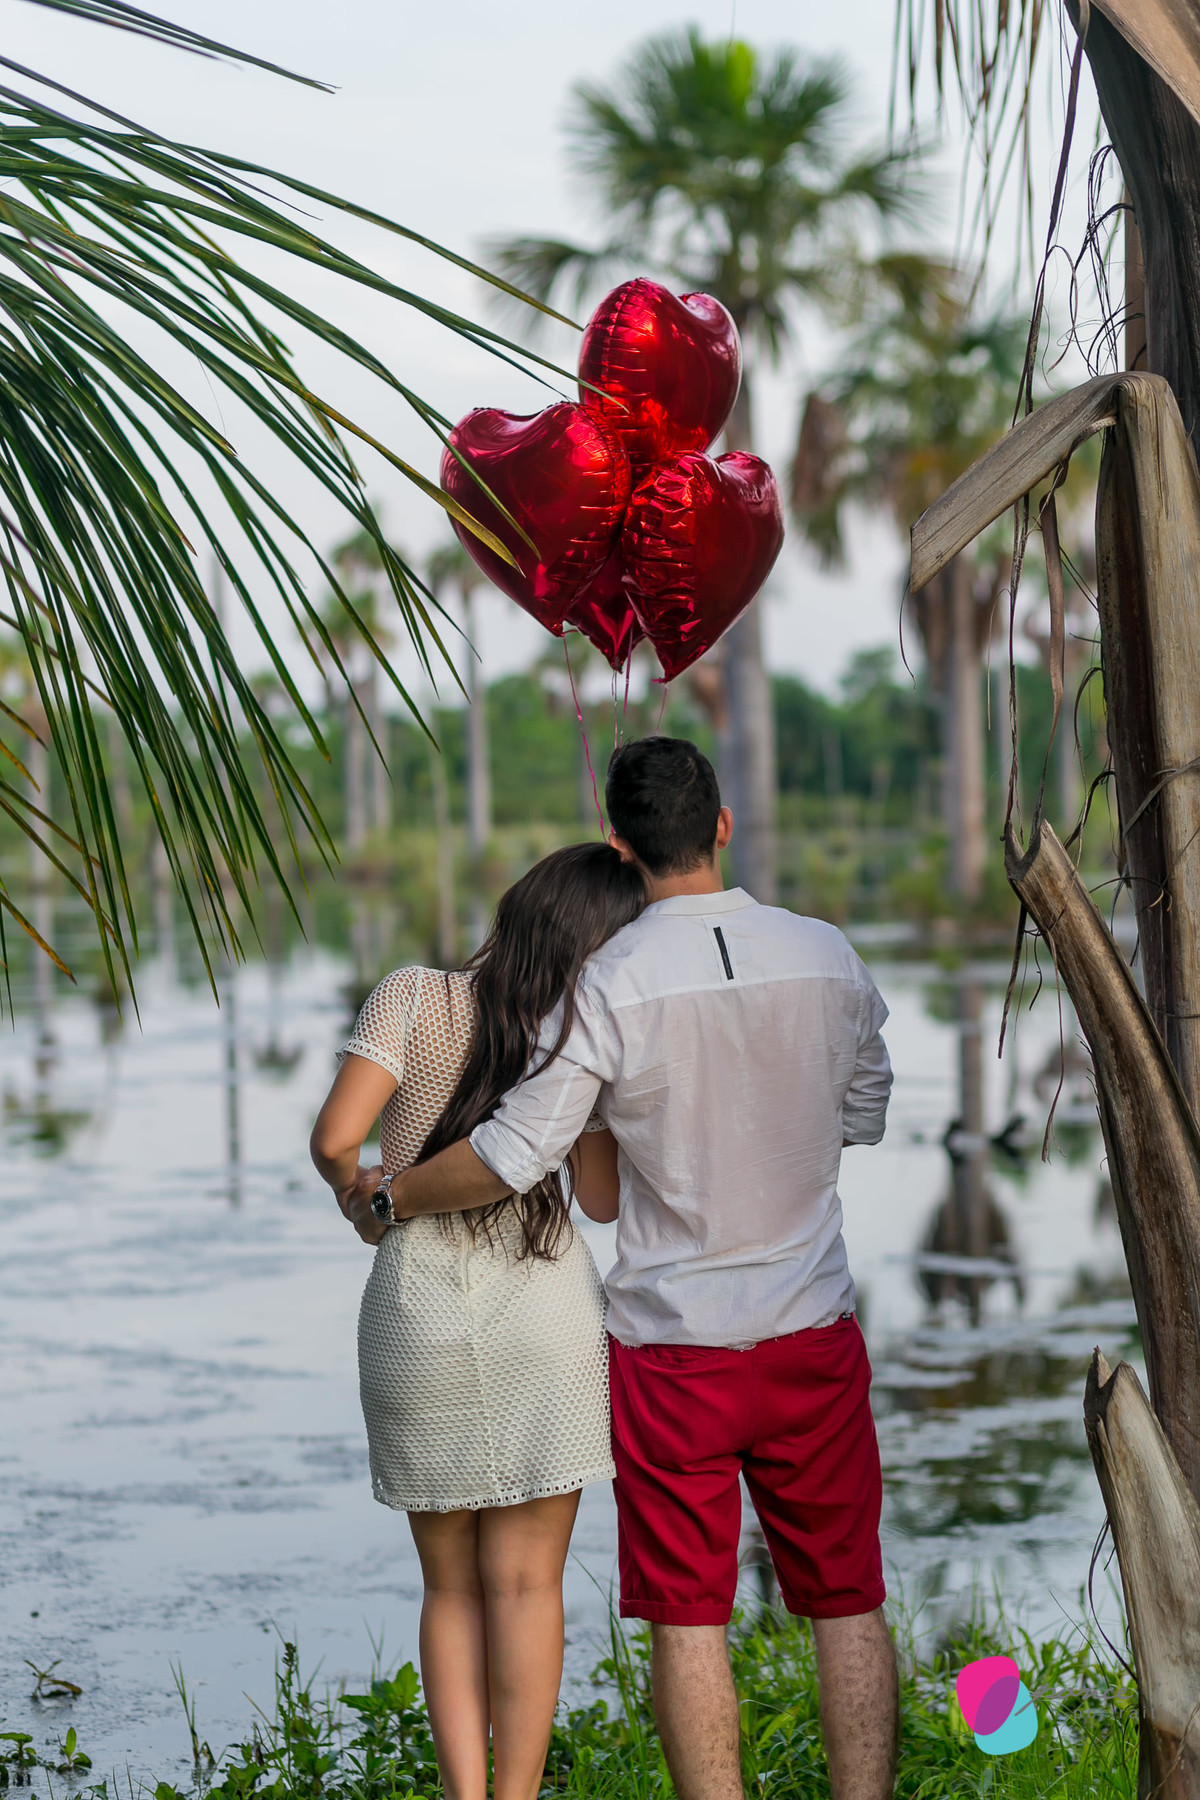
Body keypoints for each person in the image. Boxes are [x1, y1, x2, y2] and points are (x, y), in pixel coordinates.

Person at [345, 736, 898, 1800]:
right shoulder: (830, 955)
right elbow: (864, 1113)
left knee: (689, 1620)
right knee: (848, 1600)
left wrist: (391, 1197)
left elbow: (515, 1153)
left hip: (675, 1352)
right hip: (813, 1334)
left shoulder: (608, 982)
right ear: (722, 826)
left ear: (620, 843)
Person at [310, 842, 645, 1800]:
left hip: (416, 1310)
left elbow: (335, 1138)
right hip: (543, 1309)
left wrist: (362, 1198)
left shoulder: (411, 996)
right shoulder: (580, 1029)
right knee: (528, 1585)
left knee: (449, 1585)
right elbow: (603, 1199)